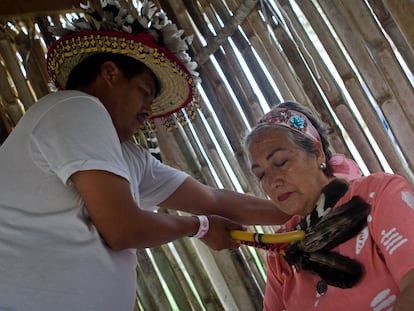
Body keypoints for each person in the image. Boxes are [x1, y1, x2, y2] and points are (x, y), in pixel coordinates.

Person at [0, 1, 289, 310]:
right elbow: (122, 230)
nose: (149, 110)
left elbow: (212, 200)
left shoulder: (126, 155)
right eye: (145, 92)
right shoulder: (76, 108)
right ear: (110, 73)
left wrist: (306, 206)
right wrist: (199, 226)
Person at [244, 100, 414, 310]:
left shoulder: (377, 194)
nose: (272, 182)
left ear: (317, 153)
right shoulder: (280, 250)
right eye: (260, 175)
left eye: (281, 162)